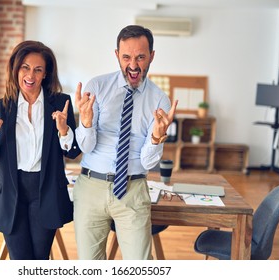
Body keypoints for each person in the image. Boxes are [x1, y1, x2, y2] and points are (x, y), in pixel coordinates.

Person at [74, 25, 178, 260]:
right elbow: (86, 147)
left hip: (133, 189)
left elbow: (147, 161)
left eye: (141, 57)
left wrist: (156, 137)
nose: (133, 65)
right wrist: (87, 122)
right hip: (91, 186)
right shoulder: (97, 87)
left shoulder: (160, 99)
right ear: (116, 55)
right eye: (126, 57)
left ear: (151, 56)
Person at [0, 40, 80, 260]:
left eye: (38, 69)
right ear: (16, 70)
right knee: (20, 260)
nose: (30, 75)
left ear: (45, 74)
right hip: (12, 194)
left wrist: (64, 130)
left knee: (39, 259)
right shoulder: (0, 108)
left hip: (46, 192)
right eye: (25, 67)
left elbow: (72, 152)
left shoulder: (60, 104)